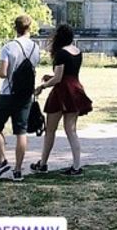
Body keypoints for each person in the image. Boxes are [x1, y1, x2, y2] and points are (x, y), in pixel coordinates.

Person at [31, 23, 93, 176]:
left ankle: (43, 163)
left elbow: (58, 78)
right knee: (71, 130)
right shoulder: (77, 51)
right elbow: (68, 74)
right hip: (76, 89)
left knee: (50, 130)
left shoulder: (60, 54)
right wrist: (51, 78)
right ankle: (76, 166)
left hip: (62, 93)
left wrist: (43, 86)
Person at [0, 14, 40, 181]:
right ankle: (18, 170)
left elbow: (3, 73)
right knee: (21, 132)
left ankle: (3, 159)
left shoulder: (9, 47)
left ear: (15, 28)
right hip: (25, 95)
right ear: (29, 28)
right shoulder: (35, 48)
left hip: (7, 94)